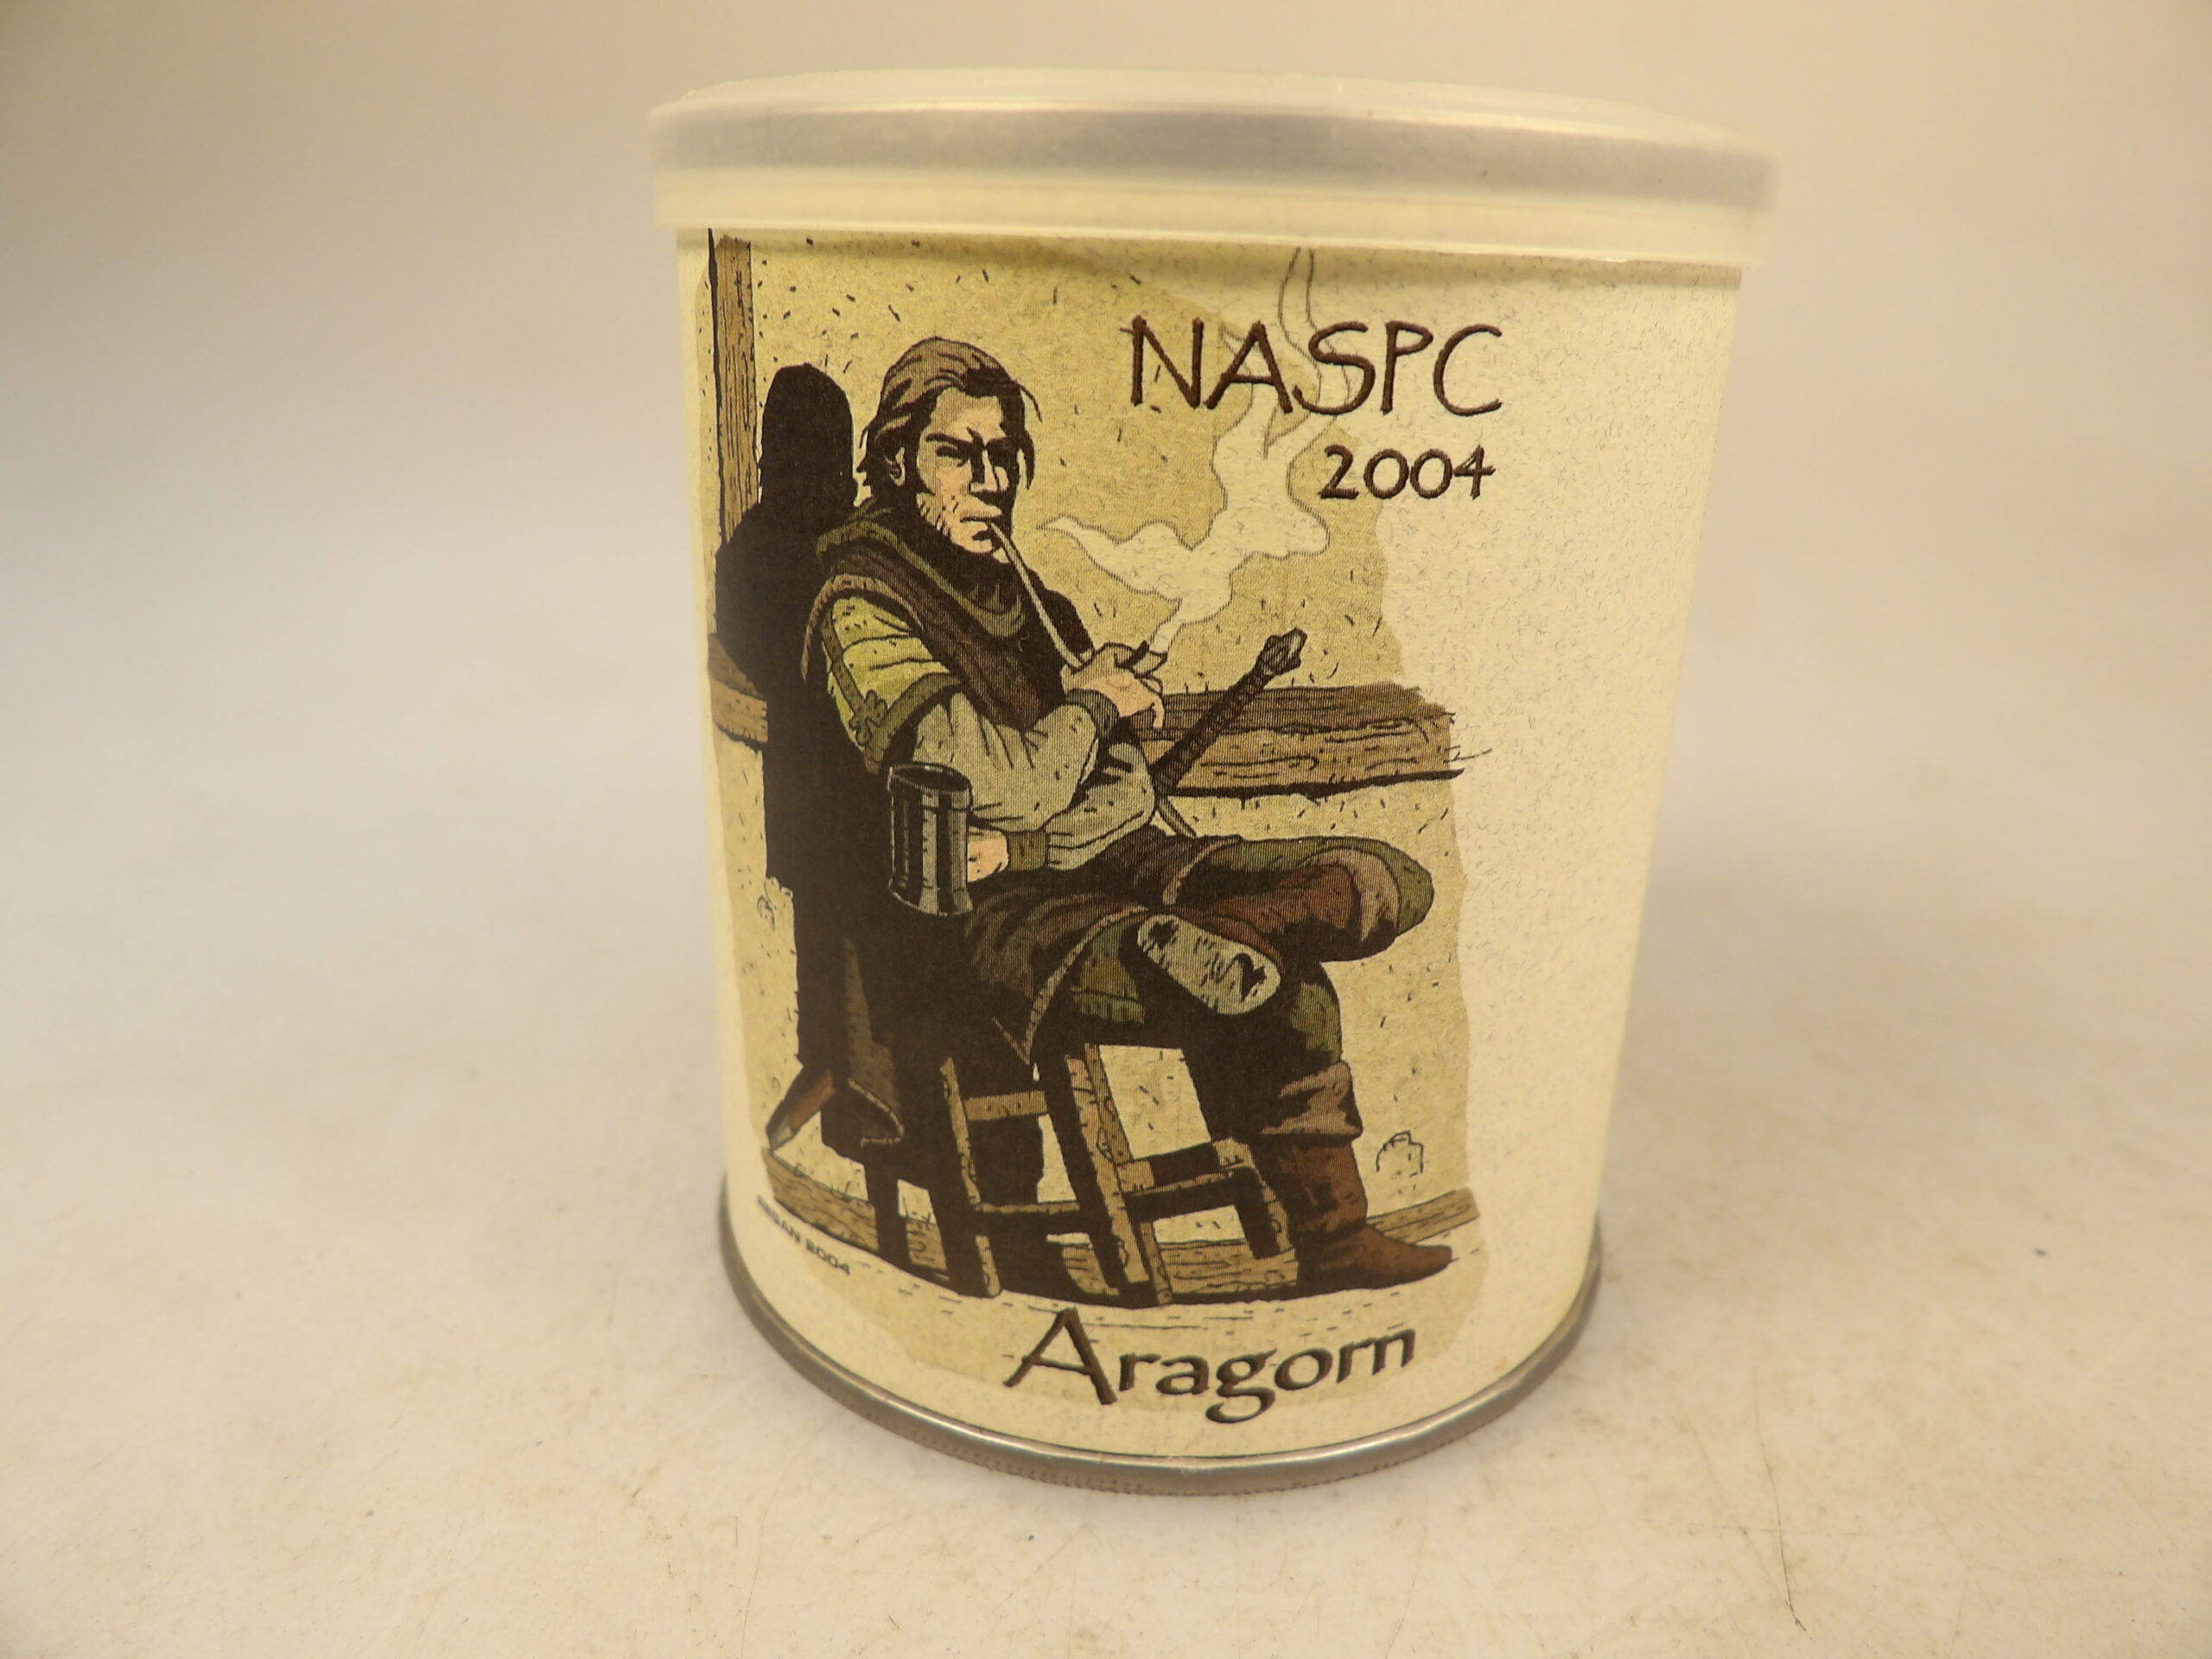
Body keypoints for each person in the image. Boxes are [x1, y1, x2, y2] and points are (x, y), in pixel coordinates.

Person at [796, 336, 1450, 1294]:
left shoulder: (1030, 600)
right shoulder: (864, 608)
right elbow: (993, 782)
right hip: (990, 918)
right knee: (1286, 990)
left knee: (1380, 876)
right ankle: (1331, 1234)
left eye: (1002, 456)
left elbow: (1117, 795)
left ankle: (1243, 923)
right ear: (897, 464)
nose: (990, 483)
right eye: (957, 455)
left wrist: (1051, 799)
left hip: (1096, 864)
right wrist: (1093, 711)